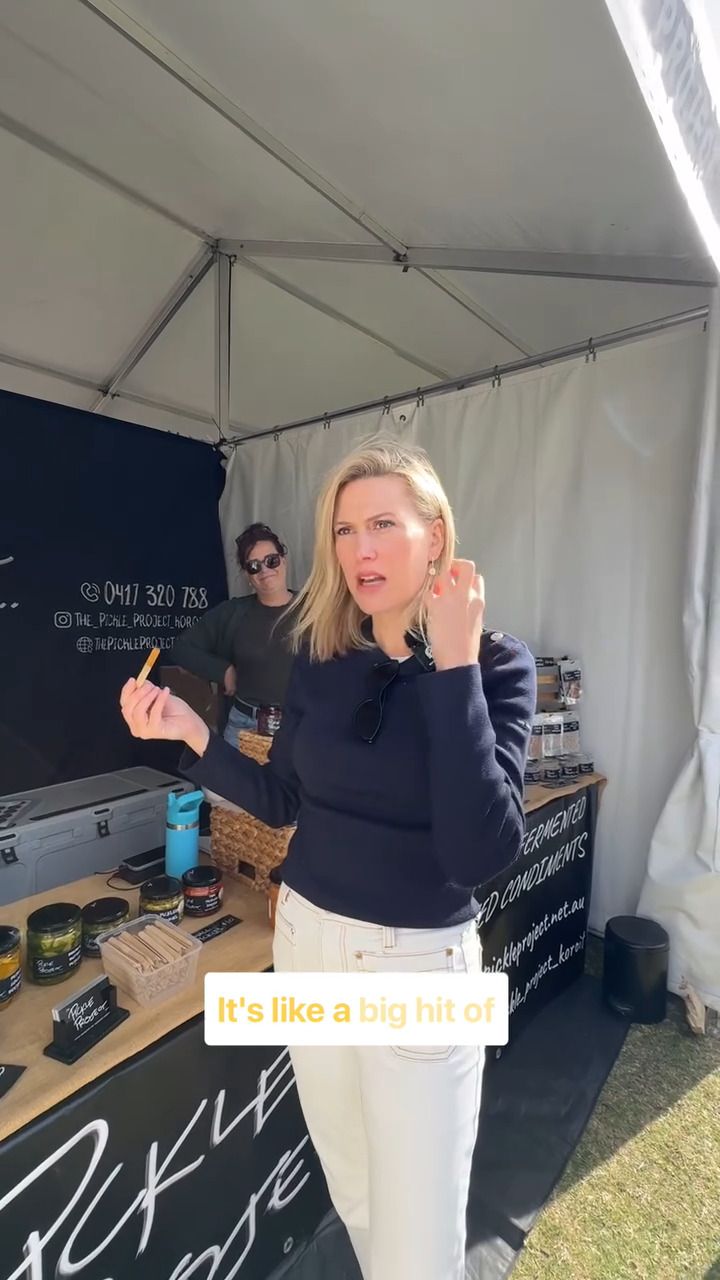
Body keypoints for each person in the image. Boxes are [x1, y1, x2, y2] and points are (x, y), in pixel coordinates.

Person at [120, 441, 536, 1280]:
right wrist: (194, 735)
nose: (360, 550)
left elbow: (480, 852)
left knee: (419, 1245)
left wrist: (452, 664)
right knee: (357, 1195)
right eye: (345, 530)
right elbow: (282, 800)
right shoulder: (321, 656)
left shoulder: (494, 664)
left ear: (435, 535)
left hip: (418, 971)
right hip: (307, 945)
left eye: (384, 524)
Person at [170, 522, 295, 746]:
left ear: (283, 560)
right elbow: (181, 648)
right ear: (247, 575)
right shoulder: (233, 613)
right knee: (228, 771)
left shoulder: (314, 611)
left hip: (299, 727)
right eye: (254, 566)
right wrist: (223, 671)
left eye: (272, 560)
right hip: (245, 726)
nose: (265, 570)